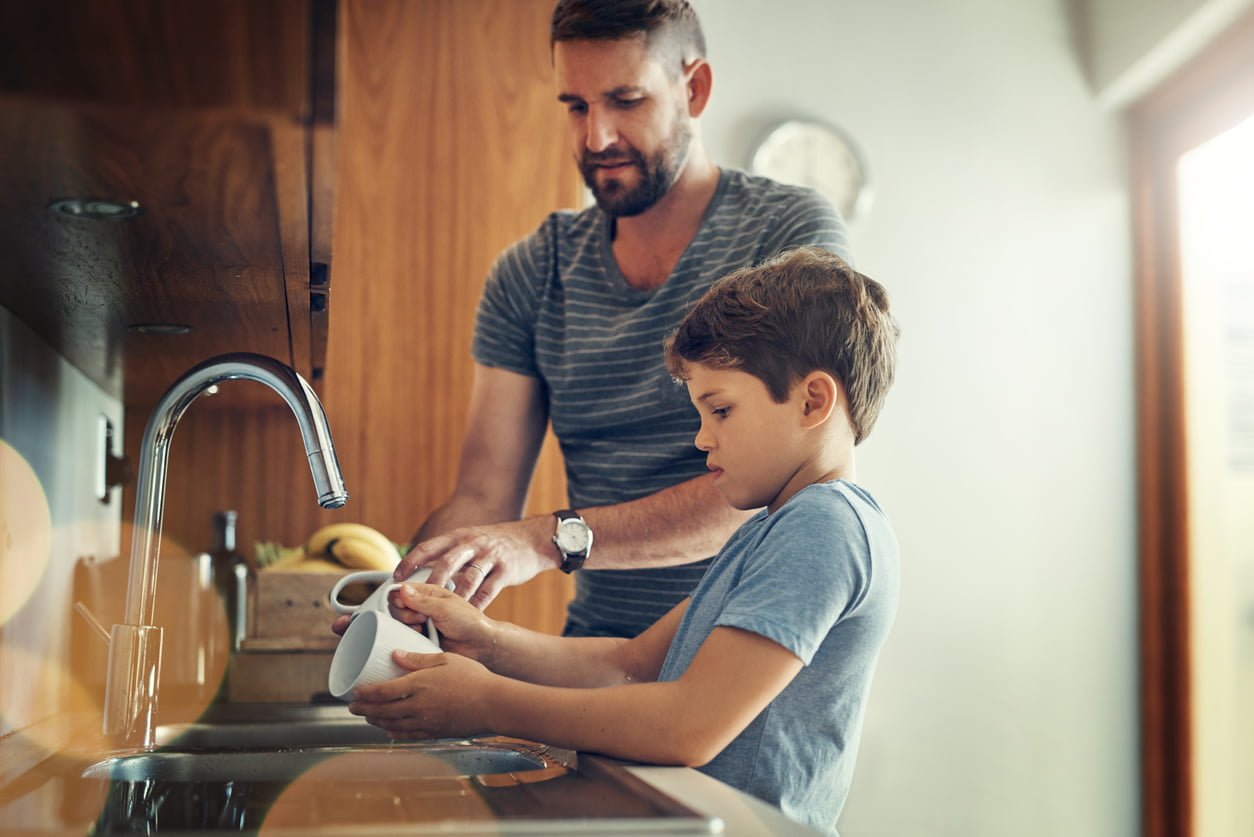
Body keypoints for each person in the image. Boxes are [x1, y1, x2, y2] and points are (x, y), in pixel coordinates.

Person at [350, 246, 901, 835]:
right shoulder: (771, 529)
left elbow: (689, 725)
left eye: (720, 410)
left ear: (812, 401)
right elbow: (630, 664)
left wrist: (488, 701)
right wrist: (487, 642)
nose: (701, 439)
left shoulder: (826, 526)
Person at [380, 0, 853, 639]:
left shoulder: (789, 237)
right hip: (592, 669)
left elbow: (780, 478)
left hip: (752, 669)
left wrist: (551, 540)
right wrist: (400, 595)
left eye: (625, 100)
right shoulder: (531, 273)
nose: (596, 137)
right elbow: (485, 499)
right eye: (576, 106)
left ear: (694, 88)